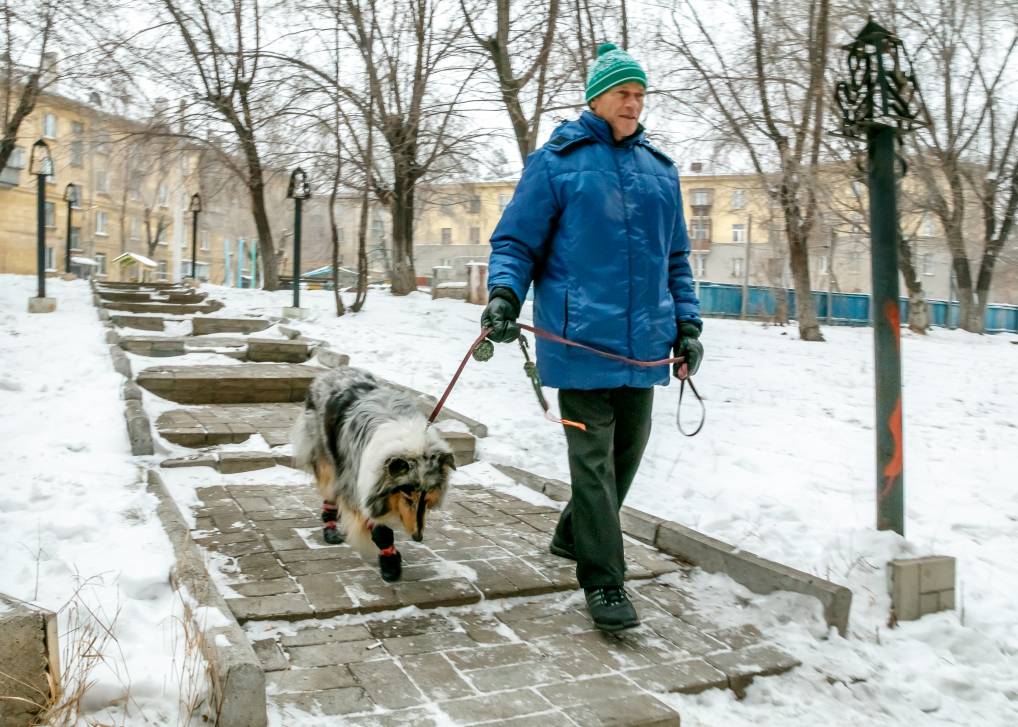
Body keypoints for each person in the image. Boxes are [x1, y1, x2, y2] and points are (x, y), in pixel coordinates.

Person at [481, 43, 703, 632]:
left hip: (646, 344)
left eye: (640, 94)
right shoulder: (558, 161)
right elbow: (515, 242)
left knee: (626, 455)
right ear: (597, 98)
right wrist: (505, 294)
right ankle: (604, 581)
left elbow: (675, 259)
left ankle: (572, 533)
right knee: (593, 463)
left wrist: (688, 324)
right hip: (579, 342)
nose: (634, 103)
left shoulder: (661, 169)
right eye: (624, 93)